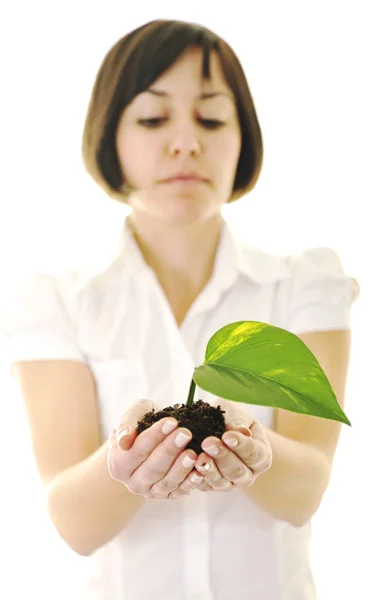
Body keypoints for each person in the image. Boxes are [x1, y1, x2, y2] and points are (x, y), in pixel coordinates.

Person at [1, 19, 359, 600]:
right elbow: (73, 521)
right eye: (152, 118)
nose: (186, 142)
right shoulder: (57, 301)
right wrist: (123, 467)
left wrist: (257, 451)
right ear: (109, 136)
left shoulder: (304, 285)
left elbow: (307, 491)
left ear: (243, 136)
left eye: (212, 118)